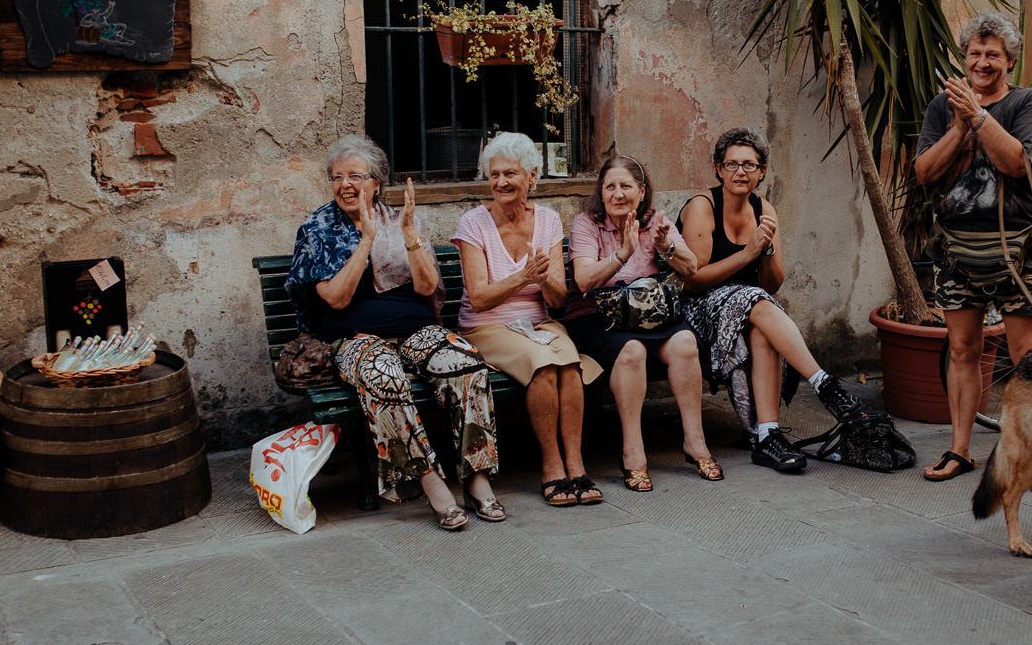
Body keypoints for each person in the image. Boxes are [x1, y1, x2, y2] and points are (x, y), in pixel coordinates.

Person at [286, 133, 504, 529]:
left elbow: (425, 288)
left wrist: (410, 238)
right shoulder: (319, 229)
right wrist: (366, 240)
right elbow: (335, 299)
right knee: (383, 376)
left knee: (465, 363)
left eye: (356, 175)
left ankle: (476, 476)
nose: (345, 185)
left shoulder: (401, 218)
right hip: (353, 338)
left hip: (415, 329)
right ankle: (432, 482)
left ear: (377, 182)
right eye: (337, 177)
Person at [913, 12, 1032, 489]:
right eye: (975, 53)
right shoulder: (942, 108)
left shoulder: (1027, 103)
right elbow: (924, 173)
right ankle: (960, 449)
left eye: (992, 54)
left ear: (1010, 60)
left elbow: (1018, 162)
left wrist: (978, 117)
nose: (982, 62)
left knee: (1028, 354)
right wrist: (959, 124)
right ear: (964, 57)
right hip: (957, 250)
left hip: (1019, 249)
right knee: (962, 350)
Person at [677, 127, 878, 472]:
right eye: (732, 164)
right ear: (718, 169)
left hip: (750, 309)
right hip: (701, 310)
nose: (740, 172)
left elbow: (772, 283)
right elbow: (692, 282)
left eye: (749, 165)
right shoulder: (703, 206)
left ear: (762, 172)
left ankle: (767, 436)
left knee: (761, 326)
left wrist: (766, 250)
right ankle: (823, 383)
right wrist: (747, 254)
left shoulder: (763, 208)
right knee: (754, 301)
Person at [454, 133, 604, 507]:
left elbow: (556, 300)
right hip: (486, 327)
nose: (501, 182)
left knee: (568, 362)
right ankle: (552, 467)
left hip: (537, 323)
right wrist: (523, 277)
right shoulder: (474, 224)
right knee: (542, 364)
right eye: (494, 175)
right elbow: (479, 297)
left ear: (532, 177)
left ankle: (576, 464)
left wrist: (544, 279)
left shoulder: (549, 221)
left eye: (511, 174)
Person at [561, 154, 720, 491]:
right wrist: (621, 253)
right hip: (598, 317)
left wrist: (665, 245)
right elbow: (585, 280)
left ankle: (695, 441)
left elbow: (691, 267)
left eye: (626, 186)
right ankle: (633, 450)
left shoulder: (655, 222)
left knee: (684, 343)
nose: (618, 194)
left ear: (642, 190)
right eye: (610, 187)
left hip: (648, 314)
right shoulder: (586, 224)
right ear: (601, 192)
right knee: (631, 351)